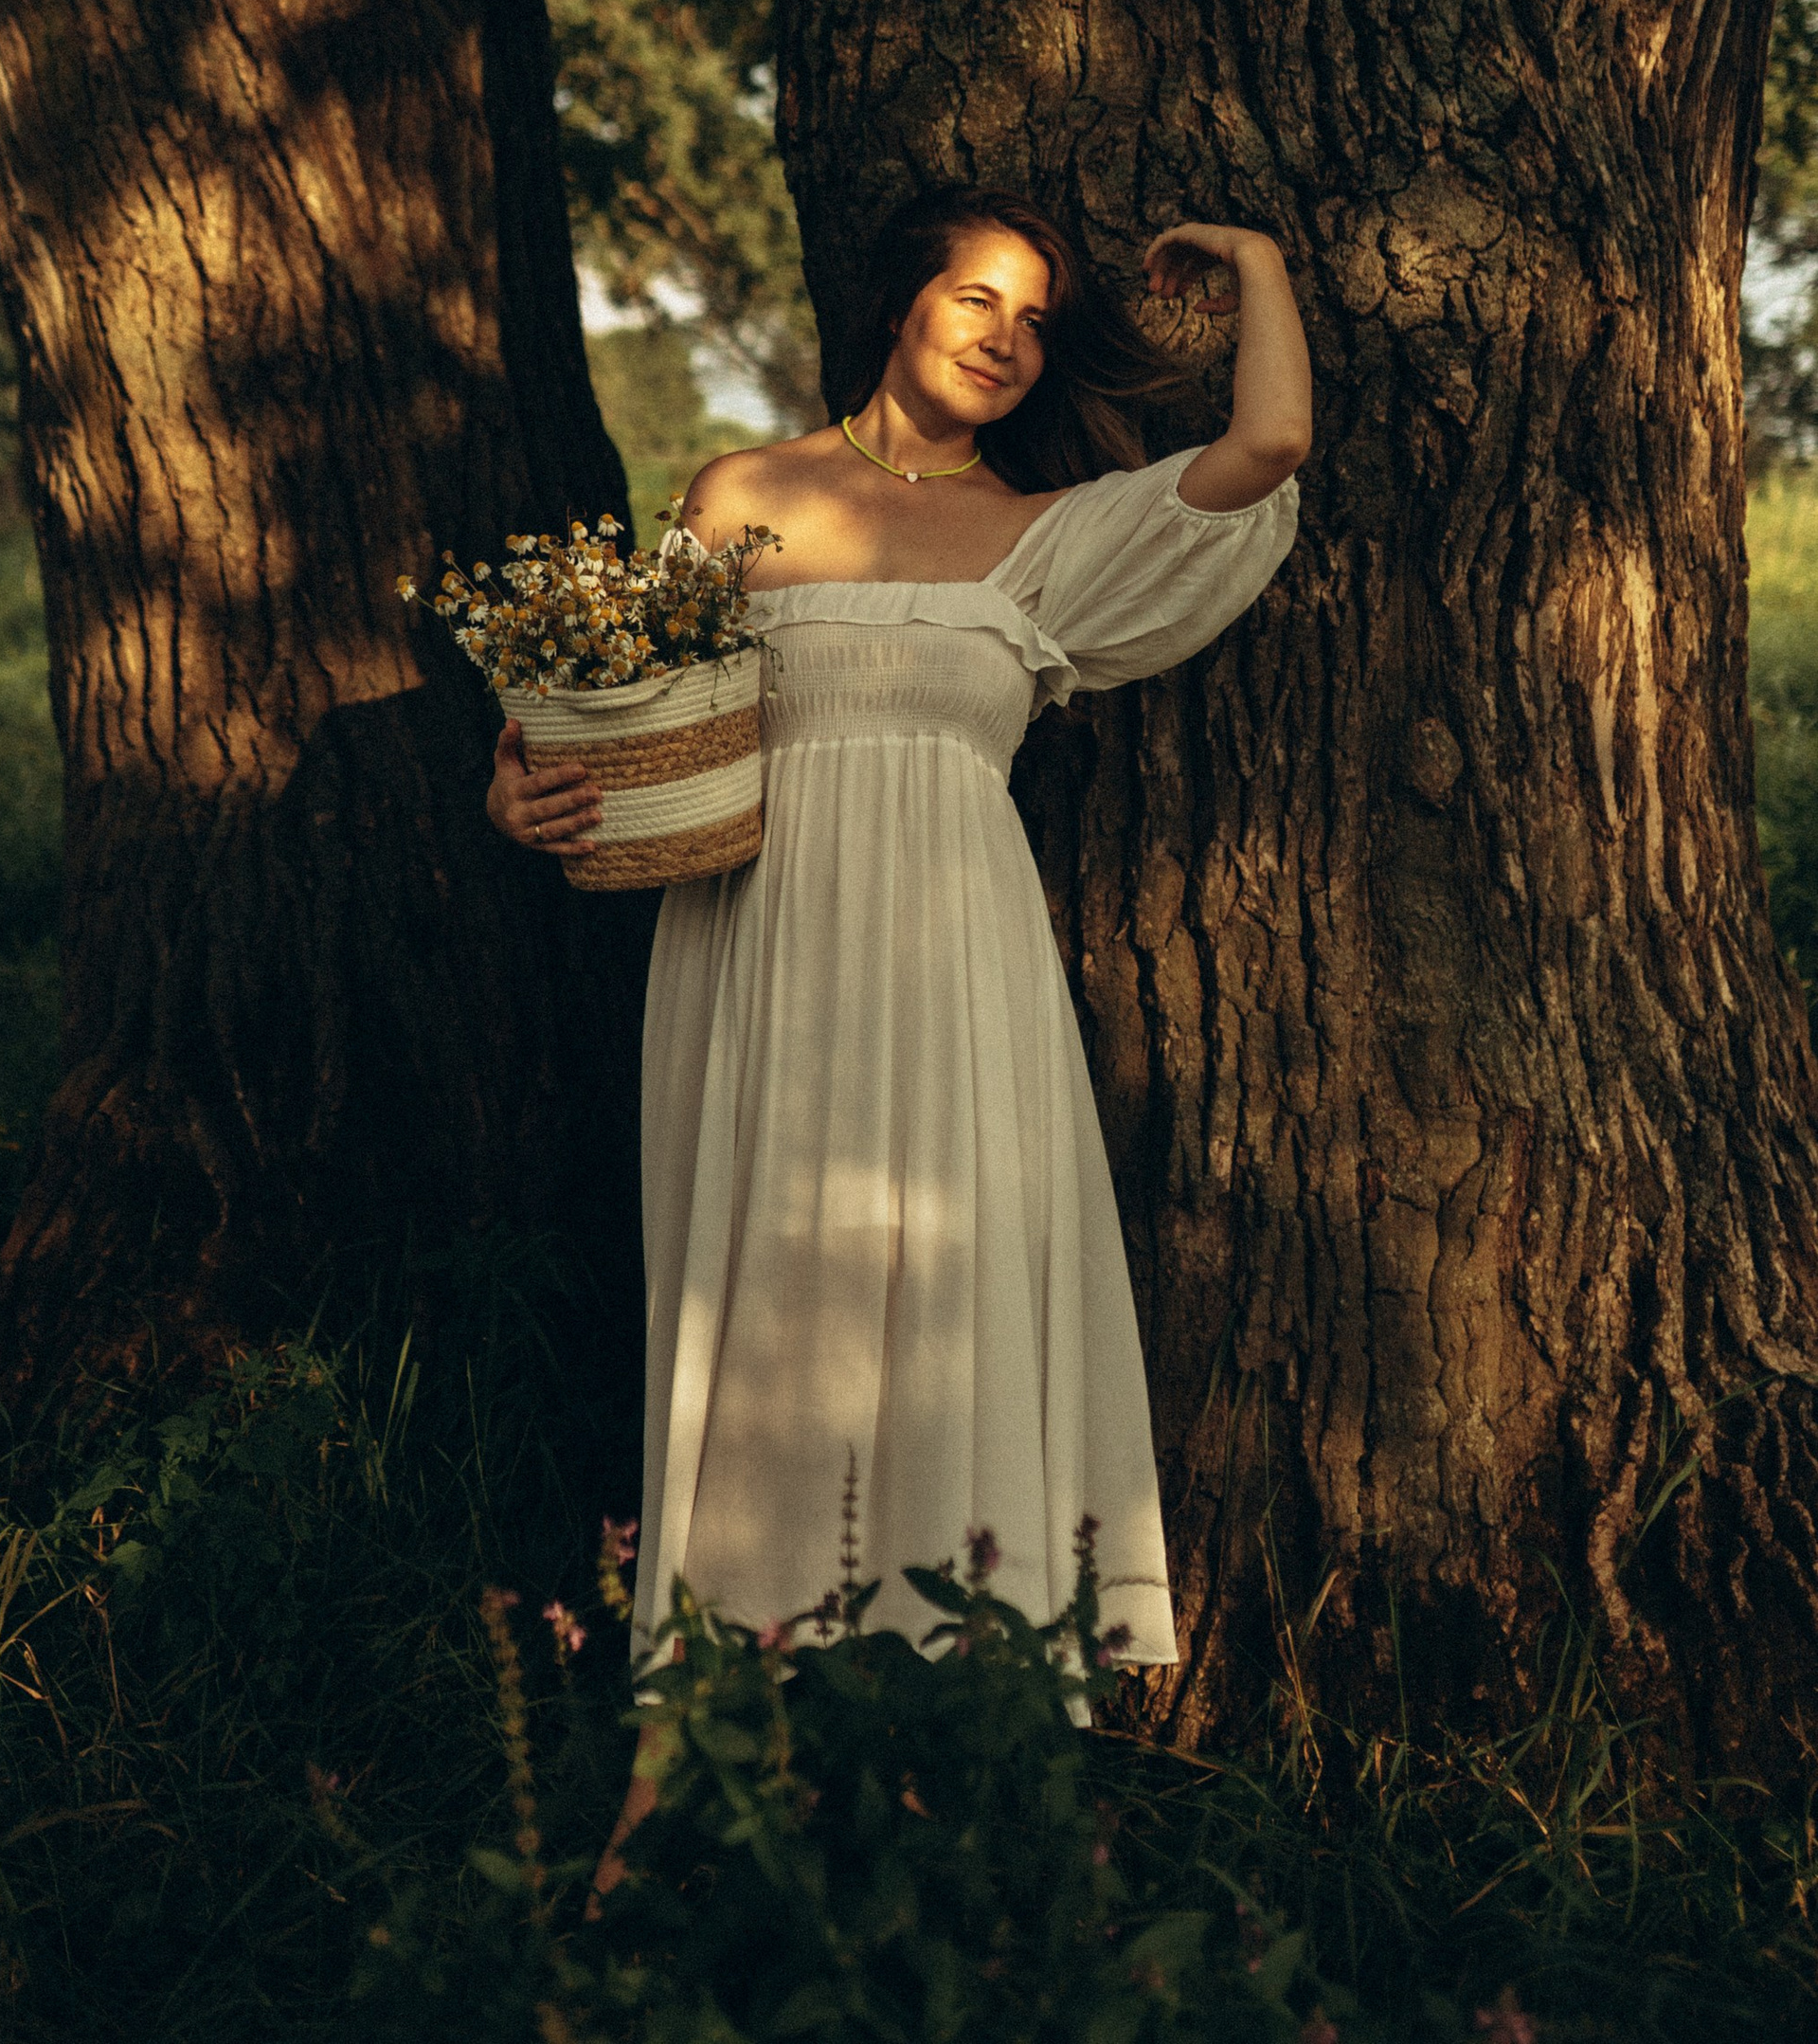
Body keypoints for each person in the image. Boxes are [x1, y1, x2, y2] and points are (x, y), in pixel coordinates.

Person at [487, 186, 1310, 1734]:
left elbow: (1264, 447)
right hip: (754, 963)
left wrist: (1255, 263)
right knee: (756, 1313)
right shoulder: (742, 493)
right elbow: (619, 710)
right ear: (898, 308)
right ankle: (695, 1748)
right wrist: (514, 776)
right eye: (978, 299)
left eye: (1037, 323)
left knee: (956, 1306)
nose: (1008, 340)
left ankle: (955, 1738)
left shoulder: (1042, 538)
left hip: (959, 980)